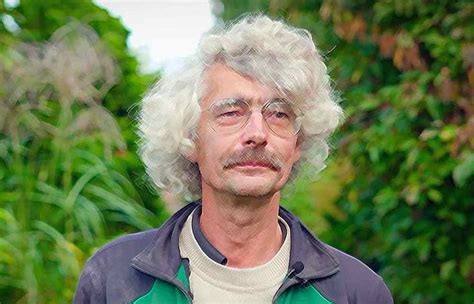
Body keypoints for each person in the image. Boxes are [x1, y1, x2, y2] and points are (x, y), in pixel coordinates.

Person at [74, 14, 393, 304]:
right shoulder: (112, 281)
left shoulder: (358, 292)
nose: (258, 133)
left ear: (298, 142)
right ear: (189, 139)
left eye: (279, 113)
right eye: (231, 112)